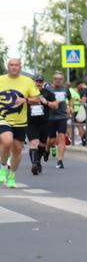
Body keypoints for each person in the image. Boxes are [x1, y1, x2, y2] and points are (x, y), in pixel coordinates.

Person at [0, 58, 40, 188]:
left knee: (17, 150)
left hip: (20, 122)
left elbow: (37, 98)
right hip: (3, 118)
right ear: (8, 67)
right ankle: (2, 166)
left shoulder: (27, 81)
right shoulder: (1, 79)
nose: (14, 67)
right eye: (11, 65)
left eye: (16, 65)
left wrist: (25, 100)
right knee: (7, 141)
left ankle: (12, 175)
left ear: (20, 67)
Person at [27, 74, 57, 174]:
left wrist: (47, 102)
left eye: (40, 81)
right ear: (33, 82)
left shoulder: (47, 93)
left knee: (42, 144)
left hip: (44, 122)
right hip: (31, 122)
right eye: (36, 81)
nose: (38, 83)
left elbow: (55, 105)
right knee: (34, 143)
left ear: (43, 82)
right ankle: (34, 164)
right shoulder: (27, 93)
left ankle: (38, 161)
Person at [46, 71, 72, 169]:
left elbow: (70, 98)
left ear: (63, 80)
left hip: (62, 116)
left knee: (61, 137)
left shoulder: (65, 89)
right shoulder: (48, 89)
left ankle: (60, 160)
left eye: (60, 79)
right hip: (50, 117)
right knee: (52, 139)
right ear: (53, 79)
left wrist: (70, 106)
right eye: (56, 79)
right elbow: (43, 100)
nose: (58, 81)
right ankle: (48, 148)